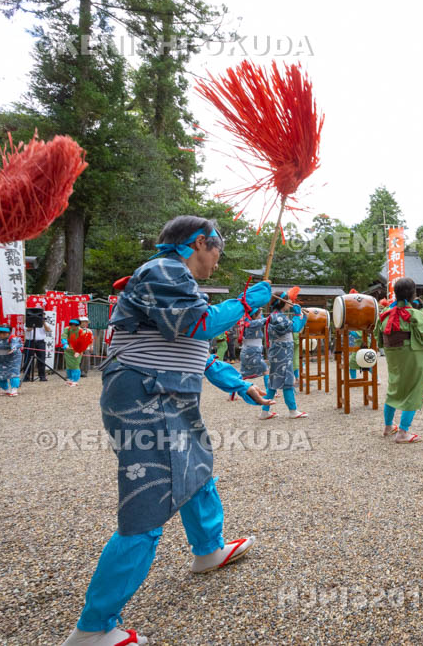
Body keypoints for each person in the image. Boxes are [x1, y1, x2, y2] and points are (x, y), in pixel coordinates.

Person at [62, 216, 274, 646]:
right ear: (199, 242)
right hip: (146, 395)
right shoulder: (163, 271)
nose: (219, 260)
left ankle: (207, 550)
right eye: (218, 250)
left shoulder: (178, 281)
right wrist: (246, 304)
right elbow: (196, 327)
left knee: (196, 471)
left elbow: (198, 353)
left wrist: (239, 385)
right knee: (149, 502)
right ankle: (94, 626)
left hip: (168, 393)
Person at [373, 278, 423, 443]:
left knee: (393, 388)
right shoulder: (415, 315)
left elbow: (379, 339)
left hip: (393, 356)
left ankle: (388, 427)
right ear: (413, 294)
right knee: (413, 391)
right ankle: (403, 433)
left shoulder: (384, 316)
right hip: (412, 355)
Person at [259, 291, 308, 419]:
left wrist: (303, 317)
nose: (291, 303)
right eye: (288, 300)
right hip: (282, 353)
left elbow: (296, 326)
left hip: (279, 352)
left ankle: (265, 411)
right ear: (282, 302)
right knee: (287, 381)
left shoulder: (277, 315)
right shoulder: (278, 317)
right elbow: (295, 327)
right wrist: (298, 315)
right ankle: (293, 410)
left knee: (273, 382)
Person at [0, 326, 23, 396]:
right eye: (0, 333)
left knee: (13, 373)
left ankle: (14, 389)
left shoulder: (13, 338)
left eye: (4, 333)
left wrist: (13, 349)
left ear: (9, 333)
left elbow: (15, 344)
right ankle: (6, 389)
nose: (2, 335)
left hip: (13, 358)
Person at [238, 312, 269, 392]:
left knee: (242, 374)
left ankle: (232, 393)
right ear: (254, 315)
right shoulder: (253, 324)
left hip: (247, 351)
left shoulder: (249, 323)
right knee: (265, 369)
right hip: (252, 352)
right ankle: (270, 391)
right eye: (259, 314)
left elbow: (262, 320)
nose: (261, 316)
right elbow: (267, 319)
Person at [62, 318, 93, 387]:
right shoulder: (67, 329)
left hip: (77, 350)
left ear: (78, 325)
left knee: (75, 365)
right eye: (71, 324)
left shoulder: (81, 331)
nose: (73, 326)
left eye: (75, 325)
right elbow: (64, 336)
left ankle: (75, 381)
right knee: (68, 365)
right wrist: (65, 344)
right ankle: (70, 379)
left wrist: (79, 351)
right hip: (68, 350)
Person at [23, 318, 52, 382]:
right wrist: (34, 323)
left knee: (41, 359)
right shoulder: (27, 323)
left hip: (40, 342)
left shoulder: (45, 323)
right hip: (30, 342)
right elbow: (28, 329)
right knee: (28, 359)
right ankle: (26, 376)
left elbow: (48, 330)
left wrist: (43, 322)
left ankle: (42, 376)